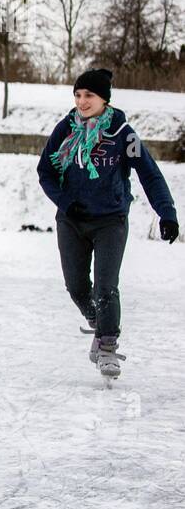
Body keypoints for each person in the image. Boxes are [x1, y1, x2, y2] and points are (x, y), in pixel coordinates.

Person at [37, 68, 177, 382]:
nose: (82, 101)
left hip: (110, 220)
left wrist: (166, 212)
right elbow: (45, 170)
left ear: (104, 99)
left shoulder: (121, 133)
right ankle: (100, 325)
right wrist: (63, 200)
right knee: (76, 287)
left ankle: (107, 346)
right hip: (71, 220)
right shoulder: (66, 129)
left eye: (89, 95)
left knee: (105, 286)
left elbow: (148, 173)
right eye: (78, 95)